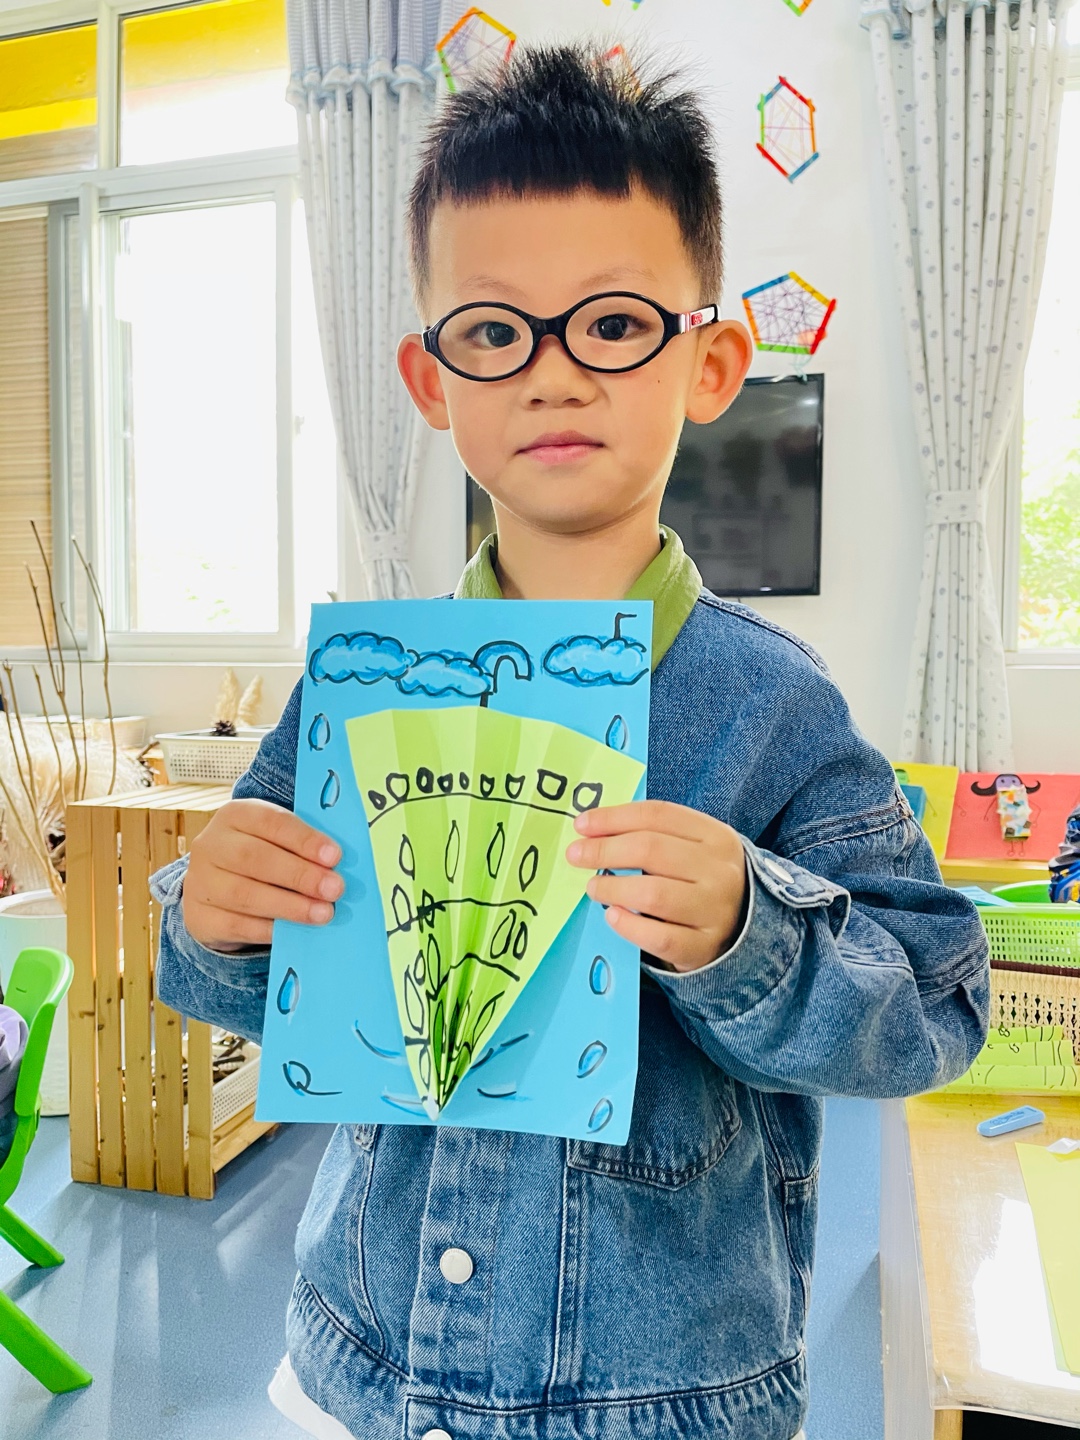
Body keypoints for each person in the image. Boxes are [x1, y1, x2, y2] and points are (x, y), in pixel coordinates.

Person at [152, 45, 990, 1440]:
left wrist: (749, 932)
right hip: (363, 1367)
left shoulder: (777, 711)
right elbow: (241, 984)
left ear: (711, 364)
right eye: (494, 332)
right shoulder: (359, 690)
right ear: (431, 381)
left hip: (662, 1398)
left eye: (610, 323)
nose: (550, 375)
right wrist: (214, 919)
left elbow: (936, 1010)